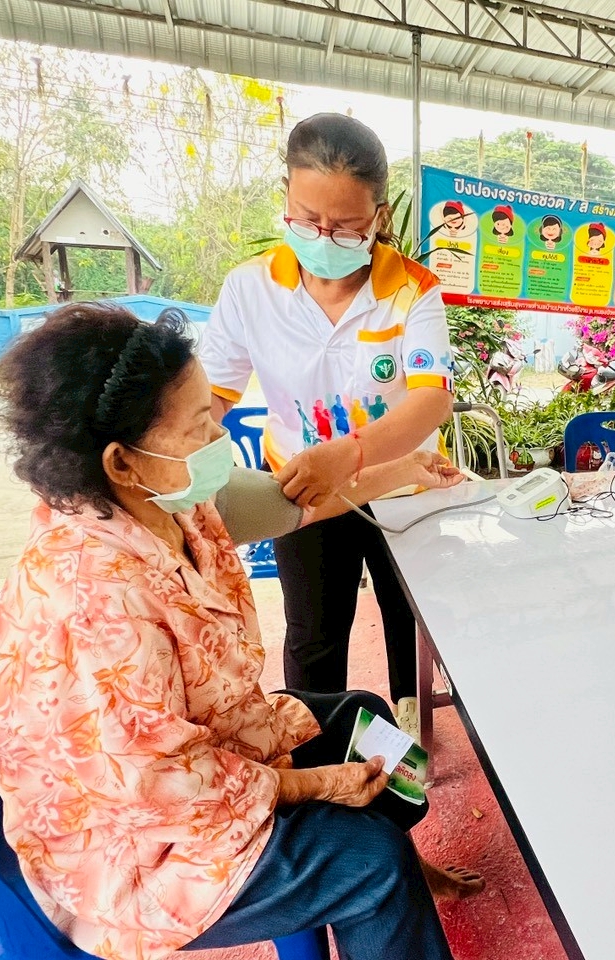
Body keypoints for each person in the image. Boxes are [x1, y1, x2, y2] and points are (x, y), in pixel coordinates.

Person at [0, 303, 481, 960]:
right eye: (199, 425)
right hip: (133, 846)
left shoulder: (168, 501)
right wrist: (315, 784)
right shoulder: (93, 597)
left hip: (202, 755)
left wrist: (404, 470)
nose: (219, 434)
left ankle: (406, 875)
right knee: (370, 863)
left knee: (363, 718)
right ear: (121, 462)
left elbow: (289, 503)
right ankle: (390, 881)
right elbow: (157, 785)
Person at [199, 113, 456, 738]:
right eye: (307, 218)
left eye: (344, 226)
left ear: (379, 217)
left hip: (403, 486)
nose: (323, 236)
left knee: (408, 619)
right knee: (314, 633)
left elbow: (431, 400)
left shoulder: (412, 290)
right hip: (302, 490)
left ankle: (409, 742)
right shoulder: (250, 289)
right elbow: (211, 396)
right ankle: (323, 745)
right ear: (287, 198)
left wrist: (350, 454)